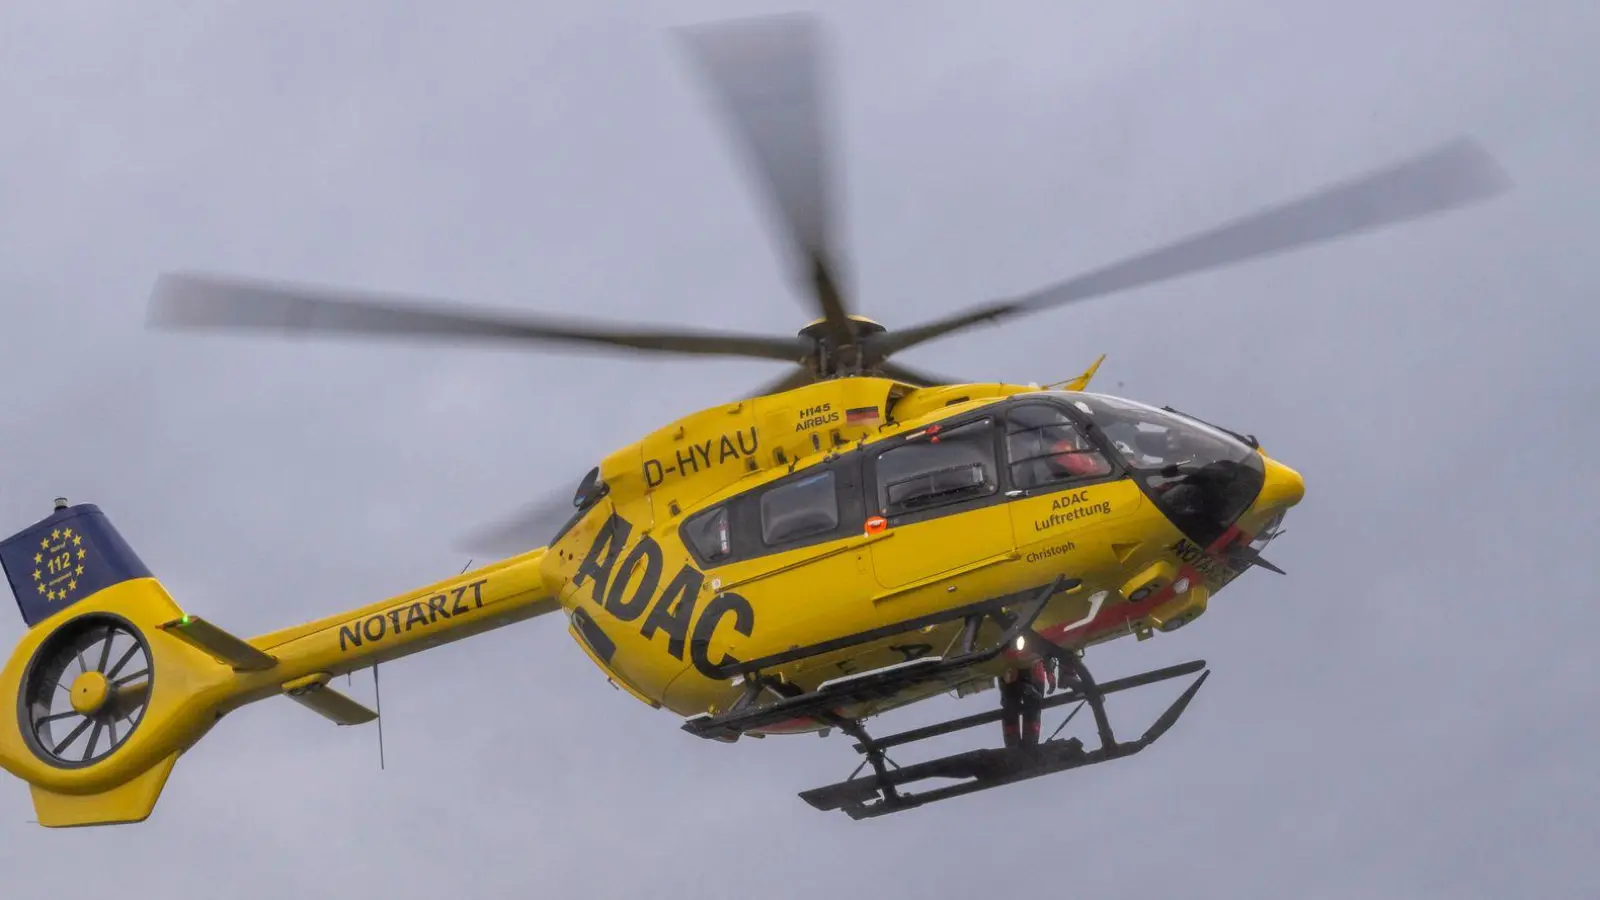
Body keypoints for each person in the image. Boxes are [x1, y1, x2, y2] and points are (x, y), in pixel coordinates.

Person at [999, 656, 1056, 748]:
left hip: (1031, 667)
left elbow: (1047, 650)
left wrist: (1050, 674)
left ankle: (1028, 743)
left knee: (1032, 705)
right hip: (1010, 668)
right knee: (1010, 708)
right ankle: (1013, 745)